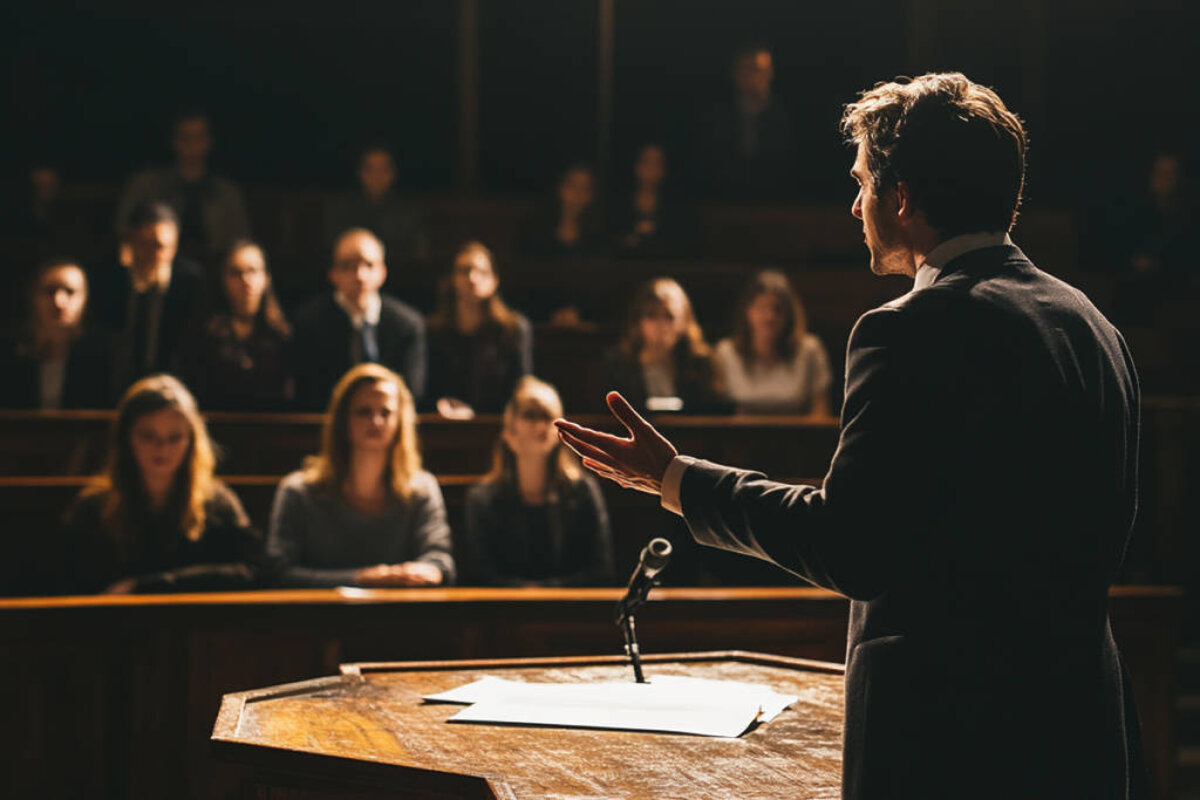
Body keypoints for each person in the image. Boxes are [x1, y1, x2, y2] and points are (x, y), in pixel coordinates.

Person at [557, 73, 1145, 798]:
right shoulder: (1095, 327)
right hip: (1083, 725)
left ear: (901, 198)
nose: (854, 203)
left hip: (951, 742)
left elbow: (853, 546)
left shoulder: (908, 329)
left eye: (863, 181)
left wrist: (676, 480)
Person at [61, 375, 264, 594]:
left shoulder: (217, 502)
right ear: (127, 438)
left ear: (191, 441)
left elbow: (252, 571)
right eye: (148, 436)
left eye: (174, 437)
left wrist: (150, 586)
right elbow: (72, 582)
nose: (162, 448)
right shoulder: (93, 508)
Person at [267, 363, 455, 587]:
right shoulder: (298, 491)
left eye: (386, 412)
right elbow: (278, 572)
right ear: (343, 419)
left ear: (400, 421)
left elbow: (441, 561)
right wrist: (362, 578)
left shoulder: (421, 488)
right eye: (364, 411)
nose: (376, 421)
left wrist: (429, 571)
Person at [464, 377, 613, 586]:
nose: (541, 425)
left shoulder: (582, 491)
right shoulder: (483, 498)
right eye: (530, 415)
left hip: (570, 610)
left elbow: (601, 570)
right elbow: (480, 574)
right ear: (509, 433)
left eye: (548, 416)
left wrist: (545, 591)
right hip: (503, 612)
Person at [290, 228, 426, 410]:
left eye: (369, 265)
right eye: (347, 266)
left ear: (382, 272)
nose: (359, 276)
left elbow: (411, 394)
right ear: (333, 273)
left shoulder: (407, 325)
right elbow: (307, 394)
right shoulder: (308, 323)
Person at [89, 200, 207, 391]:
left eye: (159, 246)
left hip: (172, 387)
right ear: (130, 243)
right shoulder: (107, 282)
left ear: (174, 247)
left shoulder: (192, 285)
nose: (151, 254)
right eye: (143, 244)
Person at [114, 110, 251, 270]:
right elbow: (123, 230)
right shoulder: (147, 186)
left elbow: (241, 242)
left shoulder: (227, 194)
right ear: (174, 141)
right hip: (156, 269)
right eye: (186, 138)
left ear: (209, 141)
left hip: (216, 275)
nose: (192, 146)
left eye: (199, 138)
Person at [425, 241, 532, 418]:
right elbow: (426, 388)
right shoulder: (433, 330)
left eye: (482, 272)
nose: (472, 278)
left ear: (494, 280)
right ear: (452, 278)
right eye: (464, 270)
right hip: (444, 421)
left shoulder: (513, 329)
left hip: (497, 423)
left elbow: (520, 389)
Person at [183, 240, 292, 410]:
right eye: (236, 273)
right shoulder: (205, 336)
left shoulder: (282, 336)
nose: (245, 281)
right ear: (223, 280)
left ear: (266, 279)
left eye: (252, 271)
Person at [712, 269, 832, 415]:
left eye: (778, 309)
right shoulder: (726, 353)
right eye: (762, 308)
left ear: (789, 315)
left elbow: (820, 412)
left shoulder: (809, 350)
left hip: (797, 436)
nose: (770, 317)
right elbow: (716, 412)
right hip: (738, 436)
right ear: (747, 311)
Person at [0, 259, 115, 409]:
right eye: (50, 291)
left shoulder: (103, 357)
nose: (59, 301)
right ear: (33, 298)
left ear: (85, 300)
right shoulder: (11, 355)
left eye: (70, 291)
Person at [601, 277, 722, 413]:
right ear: (638, 322)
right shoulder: (618, 365)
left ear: (684, 322)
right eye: (652, 316)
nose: (661, 325)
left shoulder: (700, 365)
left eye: (669, 316)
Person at [695, 42, 799, 201]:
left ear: (770, 73)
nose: (753, 78)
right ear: (735, 74)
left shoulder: (787, 119)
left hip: (778, 204)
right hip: (723, 202)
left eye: (759, 70)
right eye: (747, 70)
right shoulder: (717, 119)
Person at [521, 163, 604, 325]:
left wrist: (579, 313)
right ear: (560, 189)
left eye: (585, 189)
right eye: (572, 186)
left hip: (586, 321)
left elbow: (600, 286)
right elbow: (528, 281)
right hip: (540, 318)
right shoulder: (535, 233)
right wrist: (550, 313)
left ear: (592, 195)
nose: (577, 195)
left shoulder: (598, 239)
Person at [322, 143, 431, 266]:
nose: (376, 176)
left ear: (393, 174)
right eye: (370, 169)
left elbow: (418, 258)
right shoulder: (339, 210)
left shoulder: (410, 213)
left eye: (383, 169)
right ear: (360, 173)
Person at [610, 143, 695, 258]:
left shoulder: (677, 207)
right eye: (646, 162)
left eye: (657, 163)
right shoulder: (618, 205)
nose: (651, 169)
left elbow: (683, 245)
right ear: (636, 166)